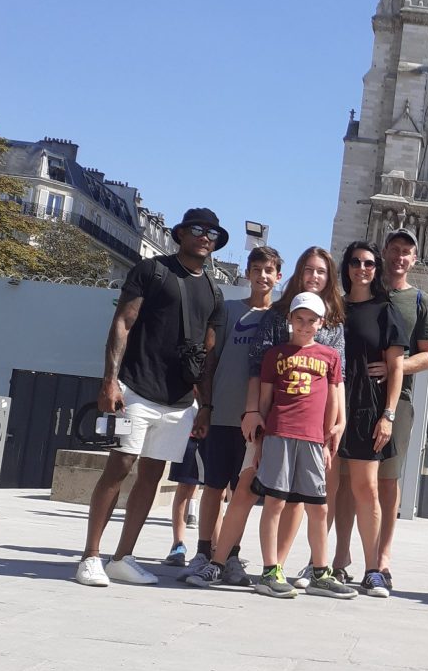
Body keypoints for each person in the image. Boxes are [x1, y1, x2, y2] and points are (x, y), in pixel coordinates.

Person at [75, 208, 227, 587]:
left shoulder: (213, 290)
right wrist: (110, 381)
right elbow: (123, 322)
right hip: (137, 388)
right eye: (197, 229)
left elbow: (208, 356)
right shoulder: (153, 270)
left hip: (178, 401)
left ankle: (123, 557)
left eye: (212, 231)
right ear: (180, 234)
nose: (205, 236)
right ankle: (90, 556)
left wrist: (205, 406)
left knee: (152, 475)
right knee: (120, 466)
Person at [185, 246, 345, 589]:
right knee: (247, 487)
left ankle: (278, 568)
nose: (314, 276)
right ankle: (217, 560)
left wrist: (339, 421)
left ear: (328, 277)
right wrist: (255, 411)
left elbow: (336, 379)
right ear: (299, 274)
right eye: (309, 270)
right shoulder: (277, 315)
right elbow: (259, 368)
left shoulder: (333, 323)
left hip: (310, 430)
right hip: (273, 423)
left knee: (297, 500)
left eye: (321, 271)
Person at [332, 228, 428, 590]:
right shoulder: (368, 298)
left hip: (397, 400)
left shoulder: (422, 301)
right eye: (394, 249)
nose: (399, 257)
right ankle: (341, 557)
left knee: (387, 481)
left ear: (414, 259)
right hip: (352, 399)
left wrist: (394, 366)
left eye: (406, 251)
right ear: (384, 254)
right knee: (347, 480)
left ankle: (382, 559)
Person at [166, 245, 282, 584]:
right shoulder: (229, 310)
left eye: (269, 270)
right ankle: (204, 550)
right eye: (257, 269)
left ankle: (231, 555)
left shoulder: (283, 319)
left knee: (241, 492)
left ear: (279, 276)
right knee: (213, 486)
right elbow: (210, 360)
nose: (262, 276)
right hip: (220, 416)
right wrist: (206, 406)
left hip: (257, 423)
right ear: (247, 273)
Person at [247, 292, 353, 599]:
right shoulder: (275, 355)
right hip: (279, 433)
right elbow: (265, 400)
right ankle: (270, 570)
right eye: (299, 319)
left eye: (311, 320)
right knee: (275, 503)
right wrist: (260, 443)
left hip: (312, 440)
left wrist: (328, 439)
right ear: (290, 319)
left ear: (321, 323)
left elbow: (333, 400)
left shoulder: (329, 356)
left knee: (318, 508)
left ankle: (320, 571)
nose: (305, 326)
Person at [337, 240, 407, 598]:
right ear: (346, 267)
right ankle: (332, 563)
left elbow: (395, 367)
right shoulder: (332, 307)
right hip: (329, 405)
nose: (361, 268)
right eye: (355, 262)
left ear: (376, 269)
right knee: (329, 488)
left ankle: (372, 569)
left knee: (366, 489)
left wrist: (388, 415)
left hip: (366, 405)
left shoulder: (385, 310)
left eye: (368, 263)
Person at [166, 436, 203, 563]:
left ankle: (214, 549)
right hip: (193, 430)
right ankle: (178, 544)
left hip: (222, 428)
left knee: (218, 490)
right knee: (185, 484)